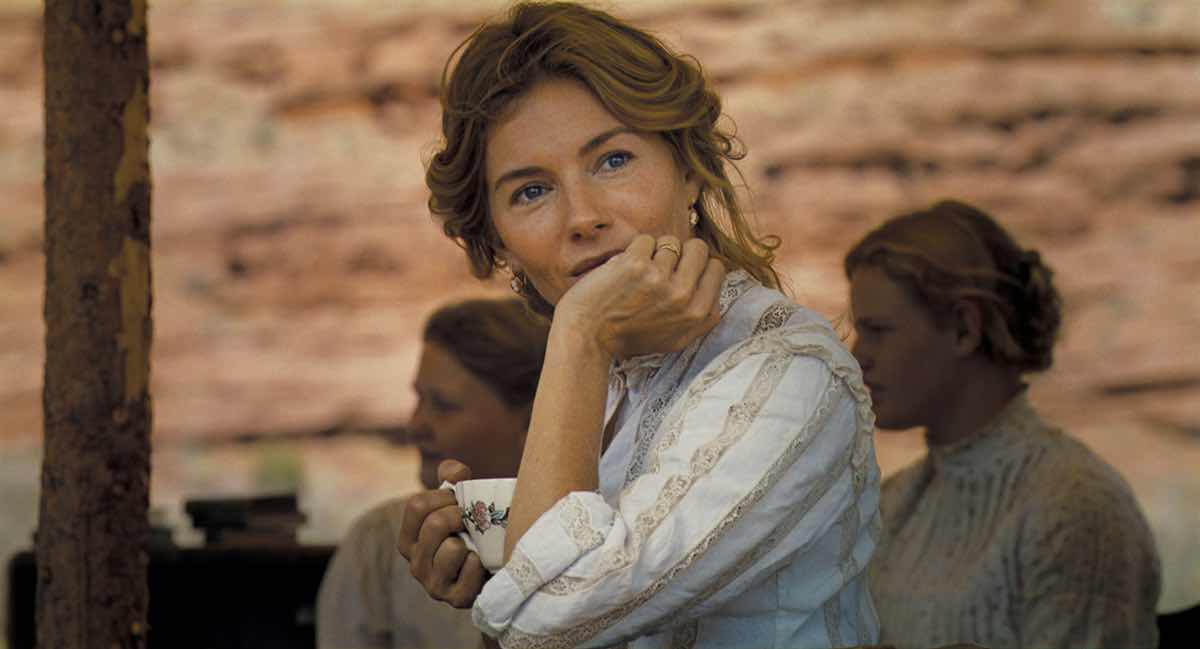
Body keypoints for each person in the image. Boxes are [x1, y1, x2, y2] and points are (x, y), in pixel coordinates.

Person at [396, 3, 883, 648]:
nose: (583, 217)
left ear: (688, 170)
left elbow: (549, 624)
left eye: (613, 160)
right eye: (531, 191)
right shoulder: (606, 381)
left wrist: (580, 330)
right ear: (500, 243)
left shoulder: (790, 376)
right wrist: (488, 566)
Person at [845, 199, 1162, 649]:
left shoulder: (1076, 506)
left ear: (964, 328)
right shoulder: (890, 504)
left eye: (878, 330)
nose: (858, 356)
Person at [317, 297, 550, 649]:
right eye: (419, 400)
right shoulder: (379, 546)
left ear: (531, 420)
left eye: (443, 406)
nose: (416, 426)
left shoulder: (589, 541)